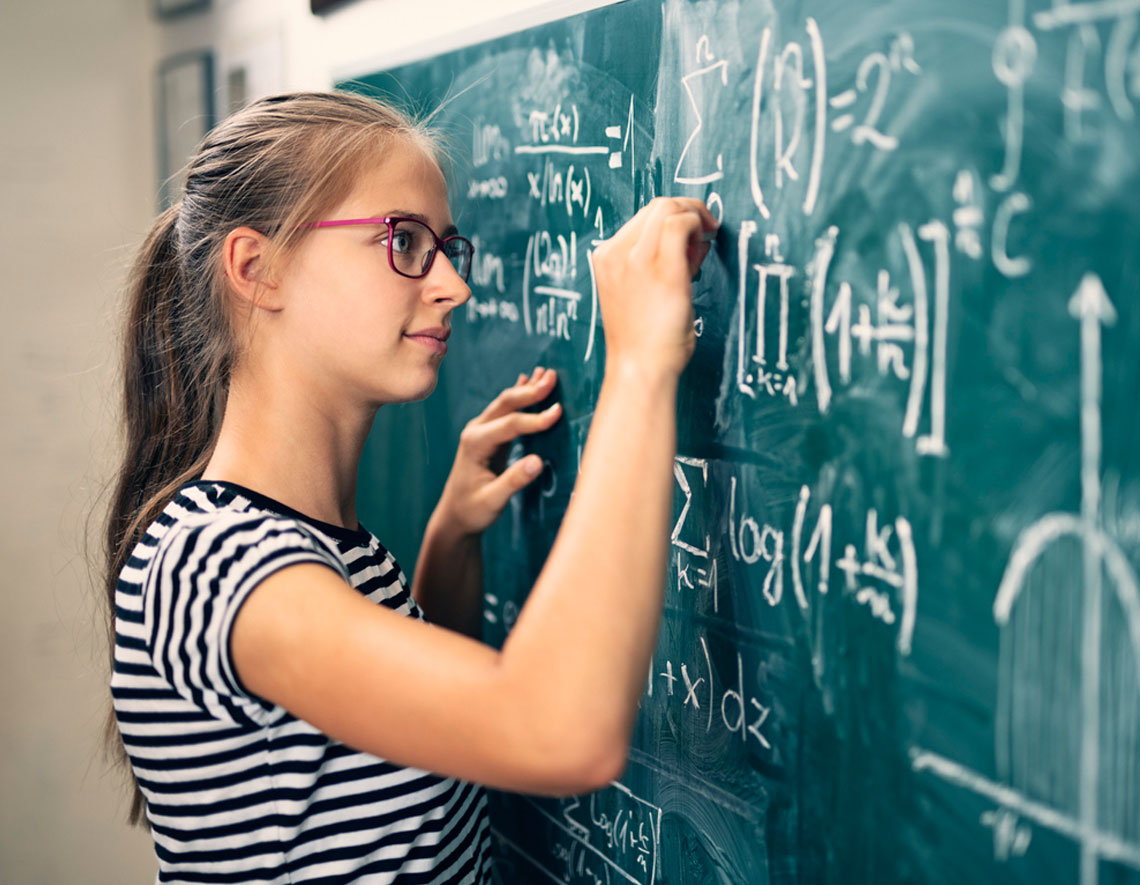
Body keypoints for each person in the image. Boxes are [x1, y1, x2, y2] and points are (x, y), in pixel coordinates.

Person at [105, 90, 716, 884]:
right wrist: (636, 363)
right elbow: (559, 732)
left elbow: (399, 734)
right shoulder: (221, 563)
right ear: (259, 269)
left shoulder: (316, 545)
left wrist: (449, 537)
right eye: (402, 240)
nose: (454, 287)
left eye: (445, 246)